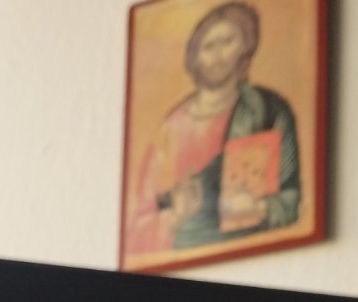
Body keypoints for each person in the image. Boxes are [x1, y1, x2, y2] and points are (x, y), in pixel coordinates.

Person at [123, 1, 299, 258]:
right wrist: (174, 217)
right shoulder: (170, 129)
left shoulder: (267, 111)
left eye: (227, 42)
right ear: (194, 56)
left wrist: (260, 208)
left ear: (246, 47)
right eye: (208, 46)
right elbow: (137, 229)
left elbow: (293, 201)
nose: (217, 54)